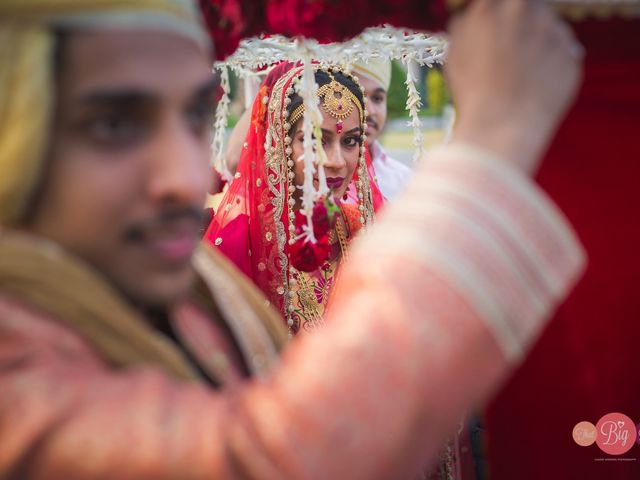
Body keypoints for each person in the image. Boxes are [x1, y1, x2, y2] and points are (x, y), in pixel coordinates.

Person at [0, 0, 585, 478]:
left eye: (195, 118)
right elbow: (277, 462)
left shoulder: (177, 277)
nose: (181, 178)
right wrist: (493, 146)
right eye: (115, 125)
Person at [204, 63, 383, 334]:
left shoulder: (362, 230)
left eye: (350, 141)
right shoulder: (240, 242)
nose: (336, 162)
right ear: (281, 143)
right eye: (316, 141)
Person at [352, 58, 413, 200]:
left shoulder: (404, 180)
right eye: (357, 97)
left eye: (377, 98)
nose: (370, 111)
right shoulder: (313, 179)